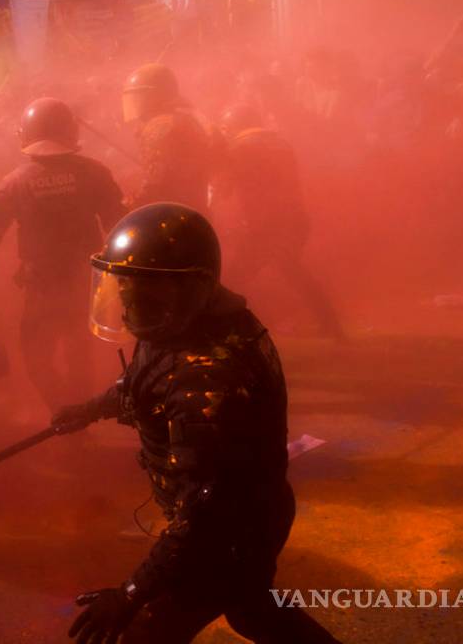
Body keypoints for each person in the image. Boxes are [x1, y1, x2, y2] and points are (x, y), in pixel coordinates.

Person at [53, 203, 342, 644]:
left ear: (195, 286)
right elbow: (143, 383)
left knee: (144, 634)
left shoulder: (205, 378)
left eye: (146, 292)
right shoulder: (183, 325)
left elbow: (204, 515)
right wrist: (91, 408)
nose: (130, 305)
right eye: (125, 287)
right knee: (253, 613)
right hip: (252, 513)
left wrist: (131, 594)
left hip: (230, 532)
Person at [0, 97, 126, 410]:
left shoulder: (15, 182)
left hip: (42, 285)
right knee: (80, 352)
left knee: (35, 353)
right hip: (87, 279)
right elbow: (120, 224)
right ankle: (80, 413)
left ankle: (62, 410)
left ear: (26, 134)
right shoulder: (95, 172)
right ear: (70, 132)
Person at [213, 104, 346, 340]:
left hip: (266, 224)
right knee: (292, 270)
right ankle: (331, 325)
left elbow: (224, 188)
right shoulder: (279, 142)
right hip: (292, 218)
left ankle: (223, 332)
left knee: (234, 278)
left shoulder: (239, 147)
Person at [121, 63, 211, 211]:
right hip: (196, 208)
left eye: (139, 98)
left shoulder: (160, 126)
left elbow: (156, 182)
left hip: (171, 214)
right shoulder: (187, 119)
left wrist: (132, 205)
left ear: (152, 96)